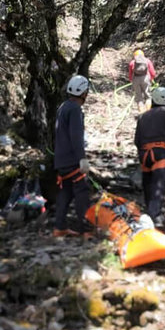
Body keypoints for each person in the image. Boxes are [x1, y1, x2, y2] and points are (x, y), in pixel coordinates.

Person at [53, 74, 93, 238]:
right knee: (82, 192)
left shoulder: (63, 107)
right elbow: (76, 136)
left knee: (66, 191)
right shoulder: (75, 109)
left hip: (61, 159)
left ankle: (59, 227)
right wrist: (82, 158)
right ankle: (86, 230)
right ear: (84, 93)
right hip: (71, 159)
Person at [134, 86, 165, 225]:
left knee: (148, 185)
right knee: (158, 185)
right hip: (160, 153)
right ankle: (154, 216)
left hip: (144, 154)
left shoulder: (143, 116)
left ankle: (149, 212)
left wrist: (142, 154)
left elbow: (137, 140)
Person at [128, 48, 156, 115]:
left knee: (139, 97)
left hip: (135, 79)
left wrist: (131, 80)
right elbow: (153, 73)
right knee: (148, 96)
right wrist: (151, 78)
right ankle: (148, 112)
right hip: (146, 78)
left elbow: (130, 74)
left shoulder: (132, 62)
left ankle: (141, 113)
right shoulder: (147, 61)